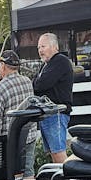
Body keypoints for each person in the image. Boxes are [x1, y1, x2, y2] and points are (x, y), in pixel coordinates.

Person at [0, 50, 37, 177]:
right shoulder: (27, 82)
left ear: (3, 66)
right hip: (29, 136)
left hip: (9, 142)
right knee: (28, 171)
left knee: (12, 176)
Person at [32, 33, 73, 163]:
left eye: (43, 46)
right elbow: (35, 84)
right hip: (47, 114)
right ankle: (60, 175)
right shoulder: (45, 65)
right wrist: (37, 82)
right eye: (38, 47)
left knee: (58, 152)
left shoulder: (60, 61)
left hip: (57, 113)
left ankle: (69, 176)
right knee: (53, 153)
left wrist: (37, 82)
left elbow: (42, 84)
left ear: (54, 46)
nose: (40, 50)